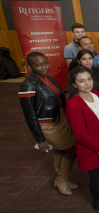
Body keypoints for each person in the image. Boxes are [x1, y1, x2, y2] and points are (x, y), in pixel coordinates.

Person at [18, 52, 77, 196]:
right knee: (71, 151)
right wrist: (40, 140)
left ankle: (61, 179)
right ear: (30, 66)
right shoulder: (28, 85)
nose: (44, 67)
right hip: (49, 124)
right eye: (38, 65)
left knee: (60, 150)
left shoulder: (48, 78)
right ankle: (62, 180)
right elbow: (30, 115)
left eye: (46, 63)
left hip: (60, 119)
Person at [66, 66, 99, 211]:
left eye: (88, 79)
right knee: (96, 176)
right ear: (74, 84)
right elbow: (80, 134)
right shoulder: (73, 103)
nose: (87, 83)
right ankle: (98, 202)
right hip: (92, 145)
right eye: (81, 81)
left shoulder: (96, 94)